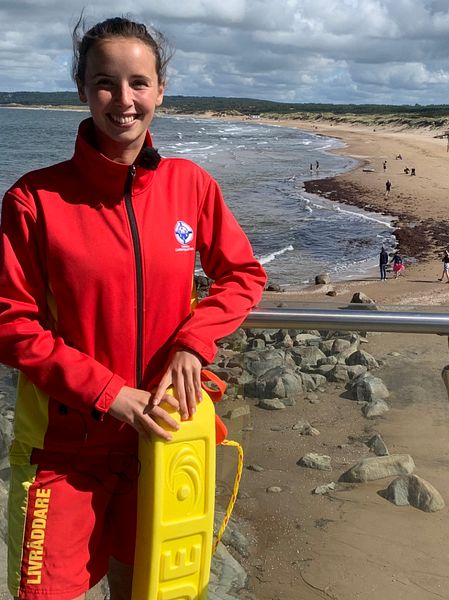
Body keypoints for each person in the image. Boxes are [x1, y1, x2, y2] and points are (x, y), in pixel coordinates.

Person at [0, 17, 267, 600]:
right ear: (81, 90)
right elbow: (10, 322)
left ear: (160, 90)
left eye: (138, 83)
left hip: (163, 438)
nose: (123, 100)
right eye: (105, 83)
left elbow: (243, 273)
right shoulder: (33, 198)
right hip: (65, 450)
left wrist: (195, 342)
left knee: (144, 586)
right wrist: (108, 394)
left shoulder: (189, 184)